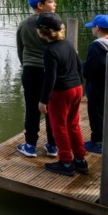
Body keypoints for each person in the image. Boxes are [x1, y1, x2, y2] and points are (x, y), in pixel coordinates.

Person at [36, 12, 88, 176]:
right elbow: (79, 67)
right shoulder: (68, 44)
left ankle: (66, 162)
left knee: (59, 126)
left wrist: (43, 100)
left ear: (42, 32)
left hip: (61, 92)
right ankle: (80, 160)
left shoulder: (49, 51)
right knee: (73, 124)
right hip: (76, 88)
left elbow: (50, 78)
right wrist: (80, 85)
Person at [16, 0, 60, 158]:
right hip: (50, 71)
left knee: (32, 108)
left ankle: (30, 145)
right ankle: (52, 145)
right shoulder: (55, 23)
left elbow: (20, 49)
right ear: (40, 5)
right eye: (51, 1)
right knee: (51, 107)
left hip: (30, 69)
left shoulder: (24, 24)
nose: (55, 4)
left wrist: (25, 64)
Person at [81, 14, 108, 154]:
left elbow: (90, 67)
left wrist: (82, 71)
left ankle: (97, 141)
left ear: (97, 28)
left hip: (96, 86)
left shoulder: (96, 46)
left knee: (95, 113)